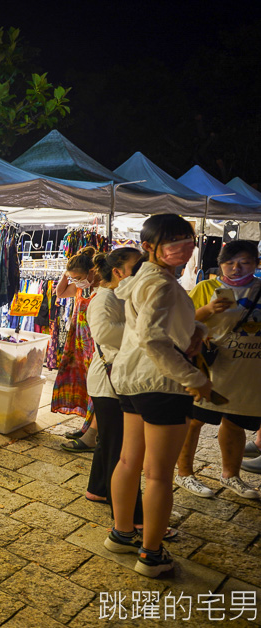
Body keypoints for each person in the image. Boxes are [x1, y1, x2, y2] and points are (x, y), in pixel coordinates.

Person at [106, 214, 211, 578]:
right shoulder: (163, 283)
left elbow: (148, 325)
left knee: (128, 461)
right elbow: (153, 336)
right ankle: (151, 555)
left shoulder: (143, 278)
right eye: (173, 240)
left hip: (131, 378)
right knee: (159, 475)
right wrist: (193, 376)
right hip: (162, 383)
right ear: (149, 246)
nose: (183, 246)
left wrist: (196, 327)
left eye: (188, 238)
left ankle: (122, 533)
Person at [174, 240, 261, 498]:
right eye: (229, 262)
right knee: (195, 421)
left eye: (244, 262)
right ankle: (185, 474)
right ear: (220, 263)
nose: (235, 268)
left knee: (235, 421)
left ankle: (230, 476)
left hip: (248, 370)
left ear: (256, 264)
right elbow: (182, 322)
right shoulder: (207, 287)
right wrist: (209, 309)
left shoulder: (259, 289)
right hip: (212, 367)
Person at [85, 248, 147, 516]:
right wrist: (145, 325)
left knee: (110, 442)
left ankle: (98, 489)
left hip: (112, 378)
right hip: (108, 381)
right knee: (120, 450)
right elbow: (105, 333)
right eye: (138, 266)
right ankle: (130, 515)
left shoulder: (120, 295)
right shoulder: (105, 298)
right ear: (118, 272)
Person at [53, 246, 100, 454]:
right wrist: (66, 274)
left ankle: (92, 431)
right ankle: (86, 427)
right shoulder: (80, 288)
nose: (76, 281)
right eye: (74, 278)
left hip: (94, 342)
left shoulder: (102, 287)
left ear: (92, 271)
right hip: (79, 341)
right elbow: (60, 292)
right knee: (85, 384)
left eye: (79, 277)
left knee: (95, 387)